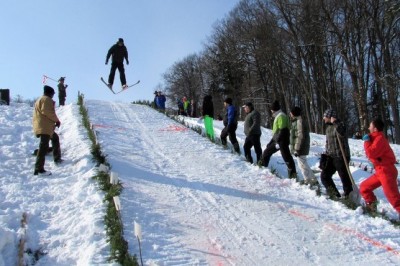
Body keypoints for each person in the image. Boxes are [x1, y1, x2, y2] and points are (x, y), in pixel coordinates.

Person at [360, 118, 400, 216]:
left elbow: (371, 153)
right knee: (364, 187)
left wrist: (366, 141)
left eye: (370, 126)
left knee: (393, 198)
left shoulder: (380, 139)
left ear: (375, 129)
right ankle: (372, 208)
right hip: (380, 171)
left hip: (387, 171)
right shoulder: (374, 138)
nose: (369, 127)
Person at [320, 109, 353, 198]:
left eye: (325, 117)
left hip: (341, 156)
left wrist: (335, 122)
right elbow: (328, 142)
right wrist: (326, 153)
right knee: (324, 176)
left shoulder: (340, 124)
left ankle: (349, 195)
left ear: (330, 117)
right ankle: (334, 194)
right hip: (331, 156)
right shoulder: (328, 128)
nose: (324, 119)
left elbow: (342, 132)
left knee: (344, 177)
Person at [261, 100, 297, 179]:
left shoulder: (281, 116)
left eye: (271, 109)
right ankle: (263, 167)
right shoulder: (279, 115)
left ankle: (293, 175)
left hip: (282, 141)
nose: (271, 111)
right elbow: (276, 132)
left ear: (274, 109)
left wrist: (277, 142)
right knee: (267, 152)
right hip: (278, 140)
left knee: (286, 157)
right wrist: (271, 142)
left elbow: (283, 130)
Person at [32, 85, 62, 176]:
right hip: (44, 126)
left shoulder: (40, 99)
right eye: (53, 93)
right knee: (43, 146)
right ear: (50, 93)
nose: (53, 95)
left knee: (55, 138)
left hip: (44, 126)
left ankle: (57, 158)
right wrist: (56, 120)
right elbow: (48, 112)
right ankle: (39, 169)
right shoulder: (46, 99)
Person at [289, 106, 319, 186]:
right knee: (303, 163)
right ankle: (313, 179)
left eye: (291, 112)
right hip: (301, 146)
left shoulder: (299, 121)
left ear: (294, 113)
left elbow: (300, 136)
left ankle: (308, 180)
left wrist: (296, 148)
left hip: (301, 147)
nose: (290, 113)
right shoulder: (296, 121)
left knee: (302, 164)